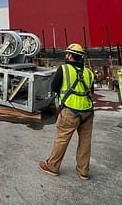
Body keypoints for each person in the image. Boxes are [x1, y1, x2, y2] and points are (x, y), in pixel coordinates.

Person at [39, 43, 95, 180]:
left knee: (62, 139)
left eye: (67, 53)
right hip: (87, 112)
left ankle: (52, 166)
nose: (66, 56)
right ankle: (83, 170)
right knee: (85, 141)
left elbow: (54, 87)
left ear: (70, 55)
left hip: (70, 111)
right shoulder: (89, 73)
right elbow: (91, 92)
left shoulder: (63, 69)